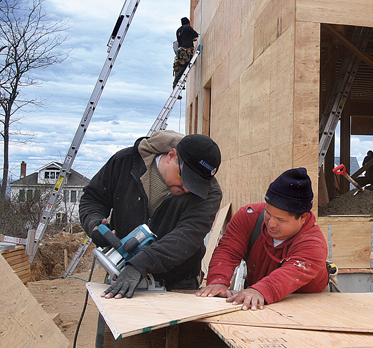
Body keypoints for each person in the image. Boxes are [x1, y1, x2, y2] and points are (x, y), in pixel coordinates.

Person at [79, 130, 222, 347]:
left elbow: (186, 238)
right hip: (123, 278)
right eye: (185, 179)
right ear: (171, 156)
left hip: (179, 284)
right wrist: (94, 223)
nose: (186, 189)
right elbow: (92, 198)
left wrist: (139, 264)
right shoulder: (125, 163)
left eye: (195, 186)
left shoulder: (209, 192)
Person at [195, 167, 329, 311]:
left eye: (280, 219)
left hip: (306, 307)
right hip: (260, 298)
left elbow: (288, 275)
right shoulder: (248, 217)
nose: (271, 224)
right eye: (268, 213)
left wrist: (260, 290)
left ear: (302, 218)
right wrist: (218, 281)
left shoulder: (314, 244)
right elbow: (228, 250)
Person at [173, 17, 199, 88]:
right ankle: (177, 83)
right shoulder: (187, 28)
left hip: (180, 51)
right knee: (185, 66)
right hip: (186, 51)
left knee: (181, 67)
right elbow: (195, 35)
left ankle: (177, 83)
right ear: (188, 23)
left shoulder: (178, 30)